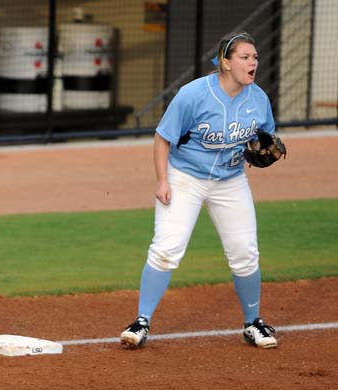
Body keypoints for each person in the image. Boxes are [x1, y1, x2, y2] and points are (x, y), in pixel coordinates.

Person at [119, 32, 280, 349]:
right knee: (166, 249)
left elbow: (265, 140)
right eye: (245, 57)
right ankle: (141, 322)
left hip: (231, 181)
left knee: (245, 254)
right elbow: (163, 137)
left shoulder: (258, 99)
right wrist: (162, 180)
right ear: (225, 62)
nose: (253, 63)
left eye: (255, 57)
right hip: (185, 178)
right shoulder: (193, 95)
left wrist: (260, 148)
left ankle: (253, 323)